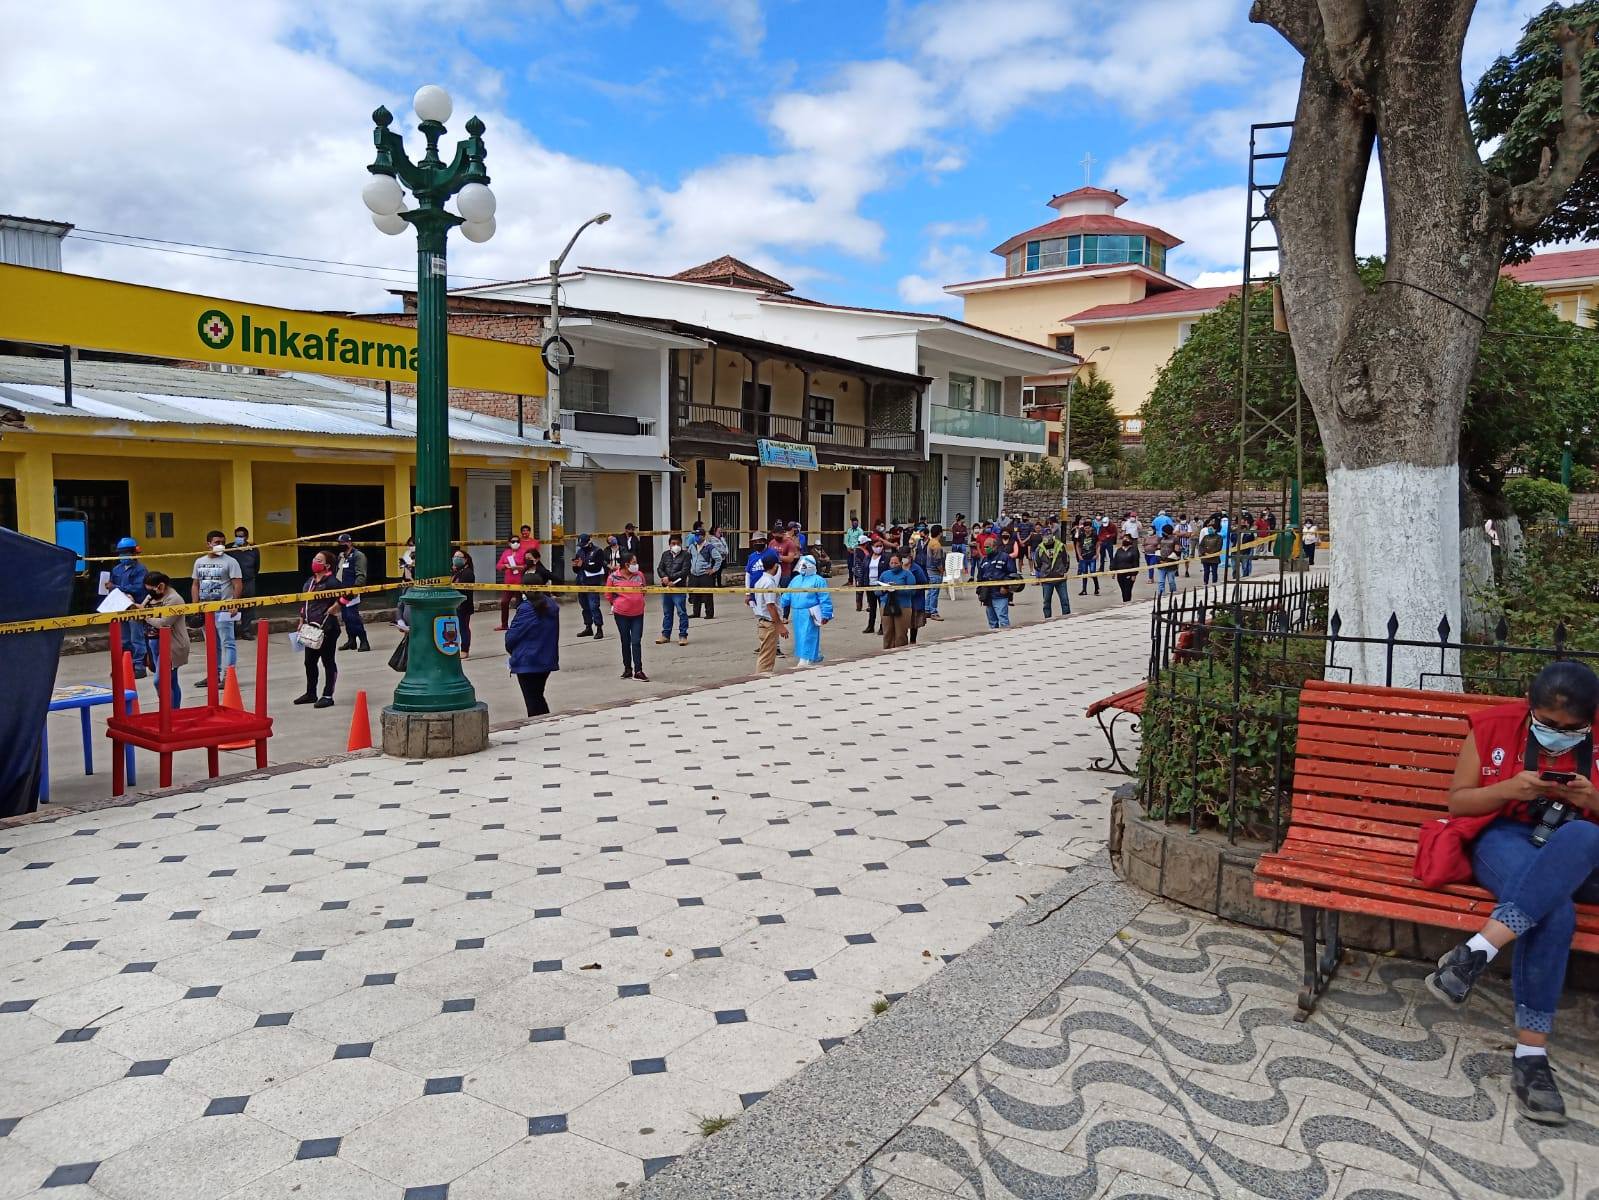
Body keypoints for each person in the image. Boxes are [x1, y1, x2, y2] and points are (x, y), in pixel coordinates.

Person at [1423, 661, 1599, 1125]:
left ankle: (1477, 950)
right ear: (1529, 705)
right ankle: (1531, 1057)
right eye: (1548, 723)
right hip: (1505, 840)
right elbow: (1458, 801)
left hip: (1580, 853)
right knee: (1554, 912)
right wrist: (1506, 789)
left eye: (1572, 728)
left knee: (1584, 835)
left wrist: (1591, 801)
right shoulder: (1495, 725)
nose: (1559, 734)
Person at [191, 530, 243, 688]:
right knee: (211, 644)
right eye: (217, 542)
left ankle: (229, 677)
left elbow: (237, 584)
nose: (220, 545)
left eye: (223, 542)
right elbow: (195, 584)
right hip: (206, 609)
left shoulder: (231, 562)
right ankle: (213, 675)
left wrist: (234, 603)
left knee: (228, 642)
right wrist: (195, 605)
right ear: (208, 544)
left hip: (224, 608)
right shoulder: (199, 561)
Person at [296, 551, 342, 708]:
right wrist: (301, 620)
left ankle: (328, 695)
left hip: (327, 627)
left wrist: (337, 606)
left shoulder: (332, 582)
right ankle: (311, 693)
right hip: (310, 628)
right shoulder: (310, 582)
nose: (315, 561)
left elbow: (349, 594)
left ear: (327, 565)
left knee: (328, 662)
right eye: (315, 558)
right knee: (309, 662)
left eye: (319, 560)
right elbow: (305, 603)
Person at [505, 590, 559, 717]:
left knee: (533, 701)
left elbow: (512, 636)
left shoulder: (526, 609)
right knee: (537, 697)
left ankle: (540, 725)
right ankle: (546, 722)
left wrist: (512, 651)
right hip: (546, 659)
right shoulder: (551, 606)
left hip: (527, 661)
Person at [138, 571, 188, 707]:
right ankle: (173, 710)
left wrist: (144, 616)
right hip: (154, 642)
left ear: (161, 586)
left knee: (160, 681)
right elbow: (141, 609)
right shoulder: (151, 596)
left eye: (151, 589)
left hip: (171, 645)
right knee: (171, 680)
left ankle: (168, 709)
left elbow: (164, 623)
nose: (149, 593)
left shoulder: (174, 599)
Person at [781, 554, 832, 667]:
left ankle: (805, 658)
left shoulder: (818, 580)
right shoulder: (796, 579)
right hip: (797, 612)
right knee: (800, 635)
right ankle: (813, 655)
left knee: (808, 635)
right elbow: (788, 593)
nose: (803, 566)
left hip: (810, 612)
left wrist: (826, 614)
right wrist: (781, 603)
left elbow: (824, 598)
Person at [109, 537, 149, 678]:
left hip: (134, 607)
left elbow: (138, 588)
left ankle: (139, 666)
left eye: (126, 553)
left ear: (134, 552)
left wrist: (117, 588)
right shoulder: (116, 569)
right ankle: (125, 665)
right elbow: (111, 586)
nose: (123, 556)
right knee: (124, 639)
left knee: (136, 638)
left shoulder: (141, 569)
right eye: (121, 553)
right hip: (120, 607)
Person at [605, 552, 648, 681]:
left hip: (638, 614)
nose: (636, 565)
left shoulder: (639, 575)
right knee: (625, 641)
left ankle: (638, 670)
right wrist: (617, 603)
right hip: (621, 615)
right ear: (626, 564)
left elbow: (644, 590)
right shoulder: (613, 577)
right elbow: (608, 595)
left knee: (636, 641)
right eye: (634, 562)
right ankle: (627, 669)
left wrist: (638, 601)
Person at [750, 550, 787, 673]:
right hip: (769, 623)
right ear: (775, 566)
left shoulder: (760, 580)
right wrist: (780, 626)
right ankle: (761, 678)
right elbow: (771, 606)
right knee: (766, 658)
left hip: (762, 621)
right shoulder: (769, 583)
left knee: (766, 654)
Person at [335, 533, 371, 652]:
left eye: (343, 543)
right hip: (341, 591)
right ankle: (351, 640)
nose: (341, 545)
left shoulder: (358, 555)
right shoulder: (341, 556)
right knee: (345, 617)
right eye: (339, 543)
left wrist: (355, 589)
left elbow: (361, 575)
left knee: (353, 617)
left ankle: (364, 641)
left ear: (349, 542)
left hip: (352, 591)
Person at [656, 533, 692, 646]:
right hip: (666, 588)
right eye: (673, 543)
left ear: (681, 544)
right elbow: (660, 568)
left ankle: (683, 635)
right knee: (667, 613)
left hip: (678, 588)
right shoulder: (665, 554)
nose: (675, 545)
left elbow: (685, 571)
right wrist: (664, 578)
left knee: (681, 612)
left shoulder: (686, 555)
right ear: (669, 545)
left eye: (678, 543)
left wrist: (671, 579)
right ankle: (665, 635)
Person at [973, 542, 1019, 630]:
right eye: (984, 547)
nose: (985, 549)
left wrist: (1005, 586)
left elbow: (1012, 574)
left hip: (1000, 594)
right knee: (992, 621)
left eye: (988, 547)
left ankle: (1006, 636)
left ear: (994, 546)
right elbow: (980, 578)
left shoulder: (1005, 557)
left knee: (1003, 618)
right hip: (987, 594)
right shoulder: (984, 560)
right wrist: (979, 591)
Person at [876, 551, 916, 648]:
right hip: (886, 606)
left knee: (900, 634)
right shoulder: (884, 574)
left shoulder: (908, 574)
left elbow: (912, 591)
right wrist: (884, 590)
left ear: (901, 563)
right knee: (887, 632)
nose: (893, 565)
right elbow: (876, 592)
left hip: (903, 606)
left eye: (896, 563)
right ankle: (887, 651)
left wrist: (897, 588)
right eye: (892, 563)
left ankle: (901, 652)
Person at [572, 534, 608, 640]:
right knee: (585, 607)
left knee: (594, 607)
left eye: (584, 544)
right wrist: (575, 565)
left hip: (592, 583)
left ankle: (599, 628)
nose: (582, 546)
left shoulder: (598, 551)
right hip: (581, 582)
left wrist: (582, 565)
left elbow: (597, 568)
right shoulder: (580, 552)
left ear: (589, 541)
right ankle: (588, 627)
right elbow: (576, 570)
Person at [229, 527, 260, 640]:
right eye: (237, 536)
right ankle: (231, 632)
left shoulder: (253, 549)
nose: (239, 538)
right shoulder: (229, 549)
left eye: (241, 536)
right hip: (233, 582)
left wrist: (250, 576)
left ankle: (245, 631)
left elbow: (257, 567)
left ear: (246, 537)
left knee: (248, 607)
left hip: (248, 581)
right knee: (232, 605)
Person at [1033, 528, 1072, 619]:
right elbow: (1037, 564)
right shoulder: (1039, 548)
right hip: (1047, 579)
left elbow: (1066, 559)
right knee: (1046, 602)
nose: (1048, 537)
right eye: (1045, 535)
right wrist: (1043, 573)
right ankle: (1048, 619)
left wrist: (1064, 571)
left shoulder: (1060, 546)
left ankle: (1067, 618)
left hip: (1060, 578)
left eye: (1049, 534)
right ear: (1042, 536)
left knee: (1065, 601)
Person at [688, 525, 726, 620]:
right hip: (694, 574)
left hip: (705, 574)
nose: (696, 537)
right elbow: (689, 557)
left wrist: (713, 569)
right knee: (695, 595)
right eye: (695, 535)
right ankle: (696, 612)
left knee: (707, 595)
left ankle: (709, 613)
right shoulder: (692, 547)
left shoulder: (709, 547)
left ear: (703, 536)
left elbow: (718, 558)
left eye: (698, 535)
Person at [495, 534, 527, 630]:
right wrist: (505, 566)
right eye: (513, 541)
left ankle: (521, 624)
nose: (515, 543)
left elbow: (527, 565)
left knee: (519, 604)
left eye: (517, 541)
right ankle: (504, 624)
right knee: (504, 602)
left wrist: (518, 567)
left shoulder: (524, 552)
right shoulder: (506, 552)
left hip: (519, 582)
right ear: (509, 543)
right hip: (508, 582)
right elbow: (498, 566)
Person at [450, 547, 475, 658]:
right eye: (455, 556)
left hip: (463, 605)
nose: (456, 559)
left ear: (465, 560)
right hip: (454, 605)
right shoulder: (457, 572)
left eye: (459, 557)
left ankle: (465, 649)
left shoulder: (468, 573)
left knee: (463, 627)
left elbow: (461, 589)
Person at [860, 538, 888, 634]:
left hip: (880, 586)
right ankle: (870, 626)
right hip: (870, 585)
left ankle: (883, 627)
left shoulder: (885, 558)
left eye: (881, 546)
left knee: (882, 607)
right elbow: (864, 571)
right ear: (872, 547)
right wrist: (862, 584)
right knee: (872, 607)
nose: (879, 548)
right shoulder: (868, 558)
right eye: (877, 546)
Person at [1111, 534, 1141, 603]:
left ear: (1130, 540)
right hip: (1120, 573)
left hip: (1129, 574)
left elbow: (1136, 562)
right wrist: (1113, 571)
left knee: (1128, 590)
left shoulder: (1134, 550)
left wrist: (1134, 574)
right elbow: (1115, 561)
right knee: (1123, 590)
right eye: (1124, 538)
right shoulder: (1119, 550)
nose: (1125, 540)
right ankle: (1125, 602)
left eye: (1127, 539)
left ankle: (1127, 602)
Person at [925, 525, 947, 621]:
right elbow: (937, 561)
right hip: (935, 571)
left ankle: (927, 609)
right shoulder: (937, 545)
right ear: (940, 533)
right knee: (934, 593)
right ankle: (933, 612)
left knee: (930, 592)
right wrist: (942, 570)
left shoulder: (930, 542)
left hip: (929, 570)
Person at [1074, 519, 1100, 597]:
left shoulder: (1094, 535)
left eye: (1088, 528)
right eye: (1086, 528)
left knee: (1092, 572)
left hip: (1092, 557)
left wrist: (1097, 554)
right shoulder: (1081, 536)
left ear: (1091, 528)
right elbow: (1077, 545)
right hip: (1083, 557)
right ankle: (1084, 590)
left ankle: (1096, 587)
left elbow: (1098, 545)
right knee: (1084, 573)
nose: (1087, 529)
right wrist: (1079, 555)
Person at [1156, 530, 1182, 597]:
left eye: (1164, 531)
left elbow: (1177, 552)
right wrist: (1159, 560)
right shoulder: (1160, 539)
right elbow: (1157, 550)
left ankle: (1173, 593)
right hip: (1161, 564)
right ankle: (1161, 594)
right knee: (1161, 581)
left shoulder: (1175, 539)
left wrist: (1168, 560)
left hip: (1171, 564)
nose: (1163, 533)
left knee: (1171, 581)